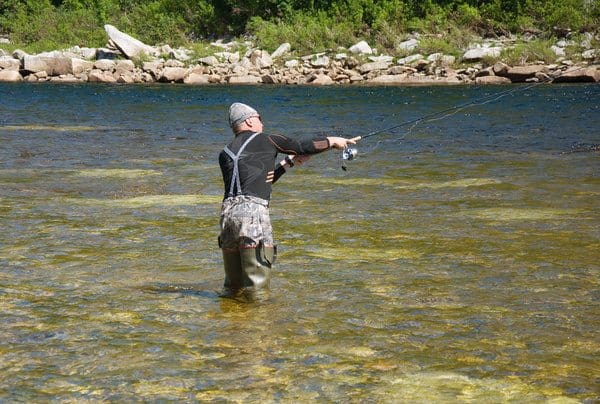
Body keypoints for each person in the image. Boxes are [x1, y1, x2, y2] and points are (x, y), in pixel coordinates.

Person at [218, 102, 360, 295]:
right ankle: (258, 324)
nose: (262, 123)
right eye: (260, 118)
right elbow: (301, 145)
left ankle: (232, 322)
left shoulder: (225, 153)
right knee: (256, 287)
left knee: (233, 287)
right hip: (253, 215)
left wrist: (287, 164)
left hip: (228, 217)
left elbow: (256, 182)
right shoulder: (267, 139)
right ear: (250, 121)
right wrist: (333, 141)